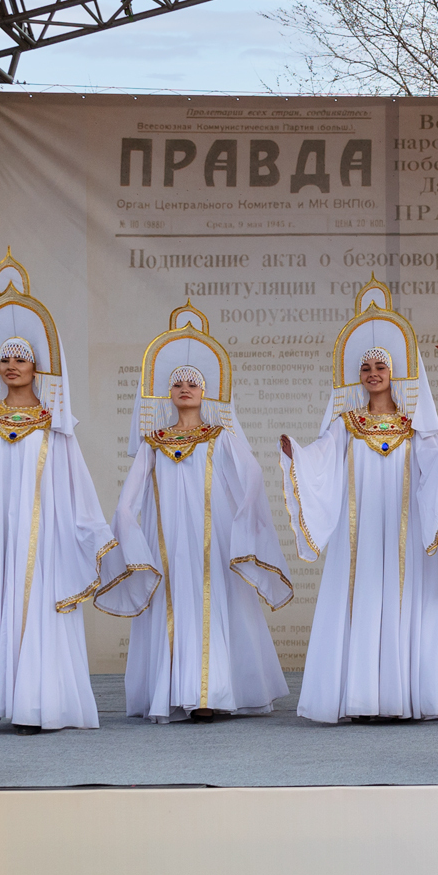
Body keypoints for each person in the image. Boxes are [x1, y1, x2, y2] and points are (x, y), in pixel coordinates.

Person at [0, 251, 140, 732]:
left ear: (38, 366)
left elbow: (73, 481)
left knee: (39, 606)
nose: (11, 365)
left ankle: (39, 704)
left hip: (43, 537)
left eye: (21, 358)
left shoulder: (54, 421)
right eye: (4, 358)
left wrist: (88, 530)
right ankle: (3, 700)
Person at [97, 303, 293, 722]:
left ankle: (211, 693)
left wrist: (242, 526)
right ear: (166, 392)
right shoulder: (154, 442)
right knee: (176, 603)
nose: (185, 388)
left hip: (211, 538)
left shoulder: (220, 436)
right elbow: (130, 496)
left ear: (207, 392)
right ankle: (179, 691)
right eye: (177, 383)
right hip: (167, 539)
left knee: (212, 602)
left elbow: (250, 477)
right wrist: (127, 529)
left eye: (193, 383)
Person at [281, 278, 438, 722]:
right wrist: (297, 455)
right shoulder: (346, 423)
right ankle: (361, 698)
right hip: (360, 532)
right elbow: (322, 456)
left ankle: (396, 699)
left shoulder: (414, 427)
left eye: (381, 367)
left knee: (400, 597)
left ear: (396, 373)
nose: (373, 373)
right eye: (366, 367)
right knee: (362, 596)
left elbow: (434, 463)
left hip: (403, 526)